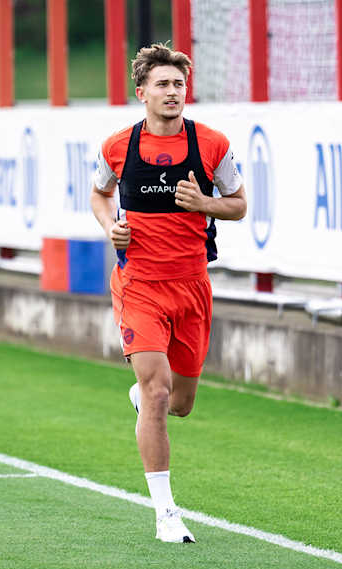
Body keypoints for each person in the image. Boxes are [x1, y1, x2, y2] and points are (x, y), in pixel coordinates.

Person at [90, 43, 247, 543]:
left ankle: (144, 399)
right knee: (158, 391)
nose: (172, 92)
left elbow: (240, 205)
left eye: (179, 84)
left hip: (193, 286)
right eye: (162, 84)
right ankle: (166, 513)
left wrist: (205, 202)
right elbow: (99, 194)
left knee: (179, 403)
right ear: (142, 93)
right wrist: (109, 224)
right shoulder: (118, 146)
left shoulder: (212, 146)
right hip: (139, 285)